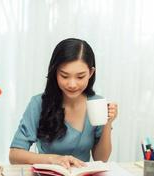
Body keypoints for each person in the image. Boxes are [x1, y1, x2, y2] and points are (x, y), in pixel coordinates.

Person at [9, 38, 118, 169]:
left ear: (91, 73)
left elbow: (101, 158)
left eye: (80, 77)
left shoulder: (97, 104)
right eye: (65, 76)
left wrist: (108, 124)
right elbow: (14, 155)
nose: (72, 84)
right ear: (55, 72)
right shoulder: (39, 103)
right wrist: (52, 159)